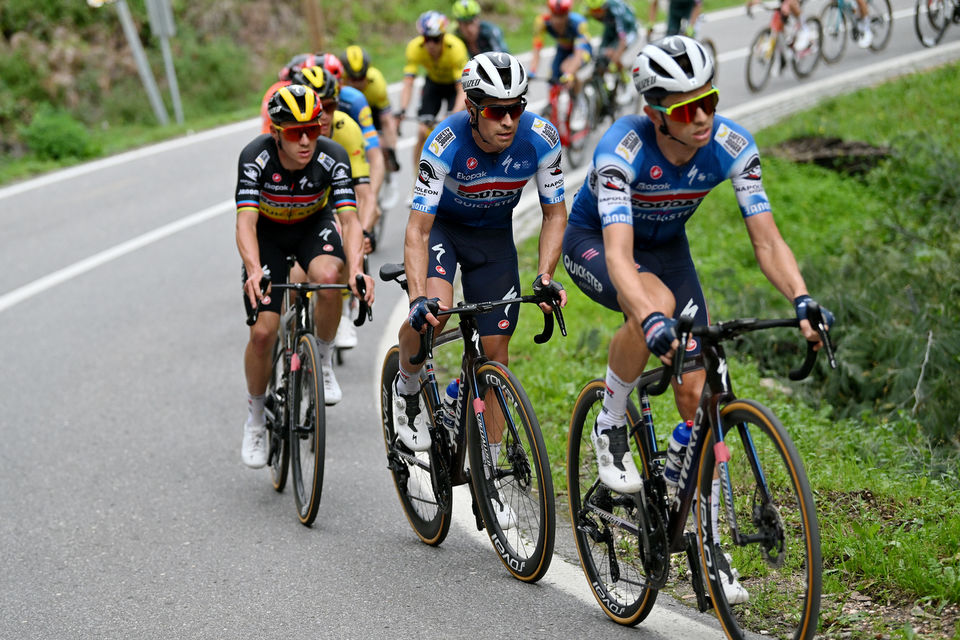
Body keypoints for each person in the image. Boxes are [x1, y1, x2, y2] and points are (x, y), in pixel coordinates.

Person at [560, 36, 834, 602]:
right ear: (657, 113)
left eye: (709, 99)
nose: (704, 115)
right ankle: (610, 420)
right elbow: (618, 258)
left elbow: (767, 240)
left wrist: (801, 299)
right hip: (597, 241)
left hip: (668, 248)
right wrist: (650, 319)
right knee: (651, 305)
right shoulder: (621, 149)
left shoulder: (731, 144)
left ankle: (709, 544)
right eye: (687, 109)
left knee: (697, 392)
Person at [392, 52, 568, 528]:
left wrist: (546, 276)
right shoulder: (445, 142)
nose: (508, 120)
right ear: (472, 108)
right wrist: (416, 297)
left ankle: (487, 476)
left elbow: (555, 214)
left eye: (516, 107)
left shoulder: (542, 137)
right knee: (439, 311)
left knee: (495, 354)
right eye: (495, 110)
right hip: (444, 232)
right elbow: (417, 232)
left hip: (494, 241)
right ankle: (406, 387)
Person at [237, 84, 374, 468]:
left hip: (313, 227)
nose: (305, 140)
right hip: (268, 235)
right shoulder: (255, 157)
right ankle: (255, 419)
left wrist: (357, 270)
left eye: (312, 129)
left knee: (331, 277)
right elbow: (245, 222)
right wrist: (252, 271)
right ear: (276, 132)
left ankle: (324, 362)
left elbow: (349, 220)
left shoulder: (332, 156)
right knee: (263, 332)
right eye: (295, 132)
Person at [398, 11, 469, 182]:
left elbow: (462, 89)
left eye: (436, 39)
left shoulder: (456, 48)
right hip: (434, 84)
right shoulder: (415, 48)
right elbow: (408, 82)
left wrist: (452, 113)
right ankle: (417, 181)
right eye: (427, 39)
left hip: (455, 86)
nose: (431, 44)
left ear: (444, 37)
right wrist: (402, 109)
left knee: (456, 129)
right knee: (422, 131)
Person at [340, 45, 401, 173]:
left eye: (361, 78)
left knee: (381, 146)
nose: (357, 83)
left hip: (372, 112)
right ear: (345, 77)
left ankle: (390, 180)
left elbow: (386, 120)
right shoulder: (339, 83)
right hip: (348, 112)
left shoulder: (377, 83)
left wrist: (391, 150)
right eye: (353, 79)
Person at [529, 0, 593, 91]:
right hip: (563, 49)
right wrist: (531, 72)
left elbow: (578, 53)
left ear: (568, 14)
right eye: (554, 15)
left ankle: (580, 100)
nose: (557, 20)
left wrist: (569, 74)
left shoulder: (578, 23)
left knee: (566, 68)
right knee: (552, 78)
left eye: (562, 16)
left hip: (582, 50)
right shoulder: (541, 22)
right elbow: (536, 49)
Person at [583, 0, 641, 72]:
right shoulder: (590, 10)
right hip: (611, 27)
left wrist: (615, 58)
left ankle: (624, 74)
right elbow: (580, 23)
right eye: (593, 11)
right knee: (600, 54)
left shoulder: (615, 11)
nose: (596, 14)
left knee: (613, 54)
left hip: (628, 29)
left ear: (605, 7)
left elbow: (622, 38)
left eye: (598, 10)